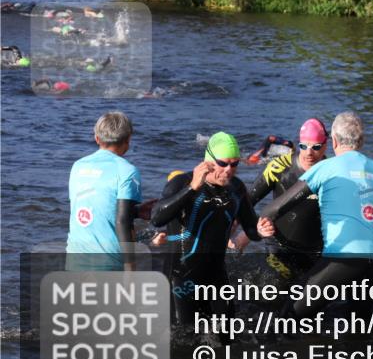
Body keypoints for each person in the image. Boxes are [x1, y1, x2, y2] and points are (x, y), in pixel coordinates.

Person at [258, 112, 373, 319]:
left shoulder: (325, 168)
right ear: (362, 140)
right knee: (359, 325)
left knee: (290, 315)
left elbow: (275, 209)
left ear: (334, 141)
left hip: (342, 258)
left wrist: (261, 224)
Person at [150, 132, 264, 326]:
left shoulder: (236, 188)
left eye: (234, 164)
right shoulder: (180, 183)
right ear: (208, 161)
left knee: (228, 335)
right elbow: (156, 218)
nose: (229, 170)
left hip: (216, 274)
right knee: (184, 339)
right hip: (181, 277)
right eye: (223, 163)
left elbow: (252, 230)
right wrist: (192, 188)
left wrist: (261, 229)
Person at [231, 118, 328, 287]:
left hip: (317, 251)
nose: (309, 153)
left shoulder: (332, 172)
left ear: (326, 145)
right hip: (279, 247)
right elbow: (248, 201)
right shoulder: (279, 167)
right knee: (277, 294)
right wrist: (234, 230)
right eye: (304, 146)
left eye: (316, 147)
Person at [66, 112, 142, 271]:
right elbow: (123, 221)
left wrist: (136, 211)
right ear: (128, 139)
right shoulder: (127, 171)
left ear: (97, 138)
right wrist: (130, 268)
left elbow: (96, 203)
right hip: (108, 263)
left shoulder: (78, 166)